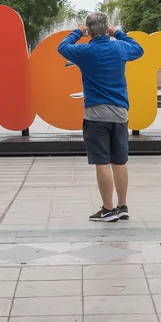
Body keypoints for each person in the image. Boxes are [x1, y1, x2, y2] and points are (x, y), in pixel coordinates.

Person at [57, 12, 144, 222]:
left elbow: (62, 47)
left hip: (96, 114)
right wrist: (118, 33)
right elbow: (139, 49)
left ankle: (108, 209)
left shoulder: (85, 51)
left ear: (89, 30)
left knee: (102, 162)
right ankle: (123, 206)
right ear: (107, 28)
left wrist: (78, 31)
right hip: (120, 113)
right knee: (120, 162)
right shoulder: (120, 47)